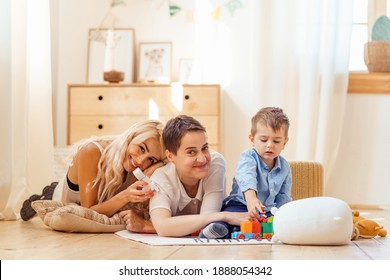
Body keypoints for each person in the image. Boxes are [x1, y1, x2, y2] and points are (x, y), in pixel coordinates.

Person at [20, 120, 166, 233]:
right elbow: (88, 210)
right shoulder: (92, 150)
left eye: (151, 159)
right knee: (66, 201)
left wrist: (153, 171)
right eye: (141, 148)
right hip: (70, 198)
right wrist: (125, 196)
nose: (141, 161)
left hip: (104, 199)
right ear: (131, 136)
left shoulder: (141, 166)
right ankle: (50, 192)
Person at [121, 115, 249, 237]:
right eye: (191, 152)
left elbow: (209, 224)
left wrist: (152, 226)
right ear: (170, 156)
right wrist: (224, 216)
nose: (202, 158)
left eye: (204, 148)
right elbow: (162, 227)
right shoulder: (160, 177)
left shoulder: (215, 163)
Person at [203, 107, 292, 239]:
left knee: (275, 222)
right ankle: (217, 229)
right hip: (241, 204)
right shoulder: (248, 157)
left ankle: (238, 230)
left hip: (266, 211)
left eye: (276, 141)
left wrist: (282, 215)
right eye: (263, 140)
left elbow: (283, 196)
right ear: (252, 139)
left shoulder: (284, 167)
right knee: (229, 215)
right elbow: (246, 176)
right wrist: (251, 199)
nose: (270, 145)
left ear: (284, 142)